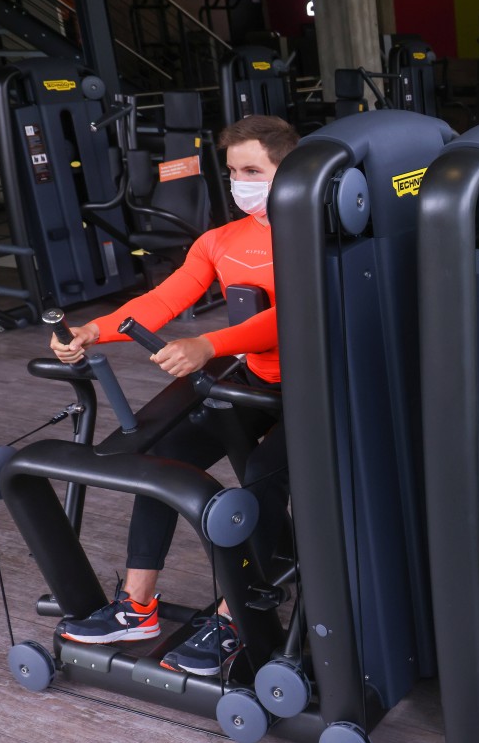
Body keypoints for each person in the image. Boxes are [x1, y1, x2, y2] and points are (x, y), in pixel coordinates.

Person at [49, 115, 300, 677]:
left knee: (262, 471)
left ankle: (238, 614)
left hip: (320, 388)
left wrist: (208, 343)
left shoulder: (312, 237)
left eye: (253, 170)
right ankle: (138, 605)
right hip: (256, 378)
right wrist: (96, 329)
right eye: (234, 171)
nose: (241, 182)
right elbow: (163, 299)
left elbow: (294, 318)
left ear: (291, 172)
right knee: (166, 462)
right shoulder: (220, 241)